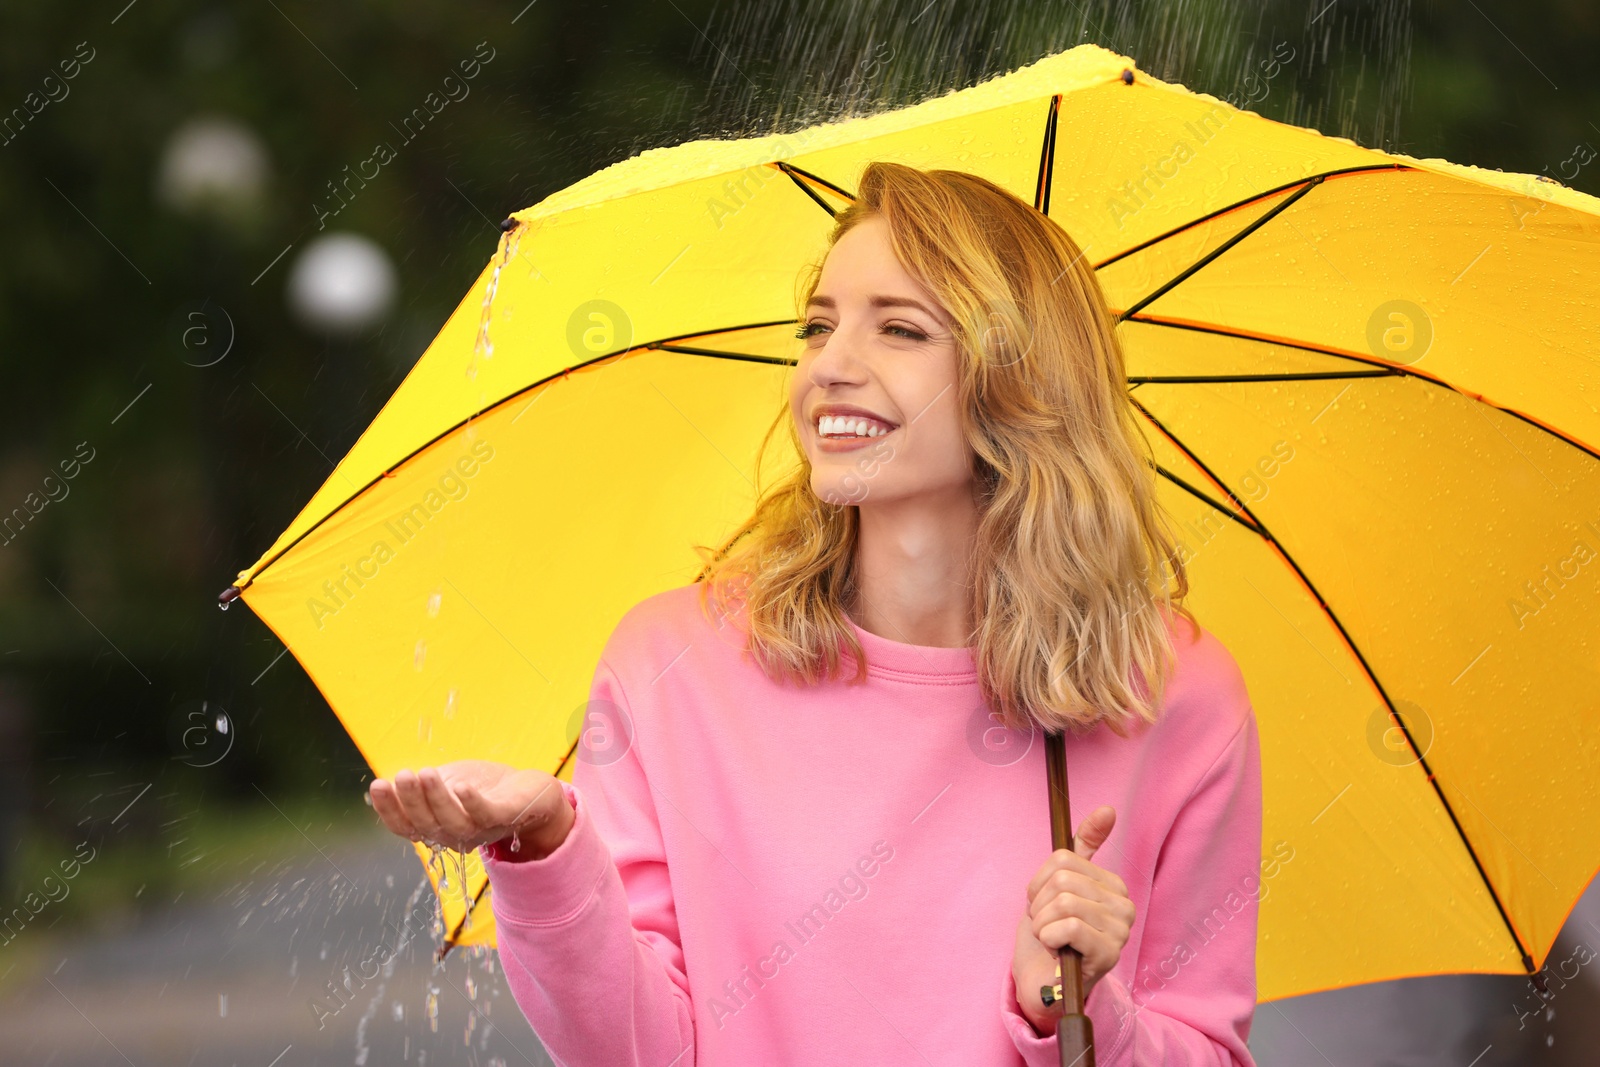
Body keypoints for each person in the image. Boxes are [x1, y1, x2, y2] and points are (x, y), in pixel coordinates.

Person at [368, 161, 1262, 1066]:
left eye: (901, 330)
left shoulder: (1175, 690)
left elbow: (1207, 1050)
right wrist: (549, 840)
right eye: (818, 326)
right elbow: (635, 1051)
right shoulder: (674, 664)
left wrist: (1075, 1009)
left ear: (1021, 382)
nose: (830, 366)